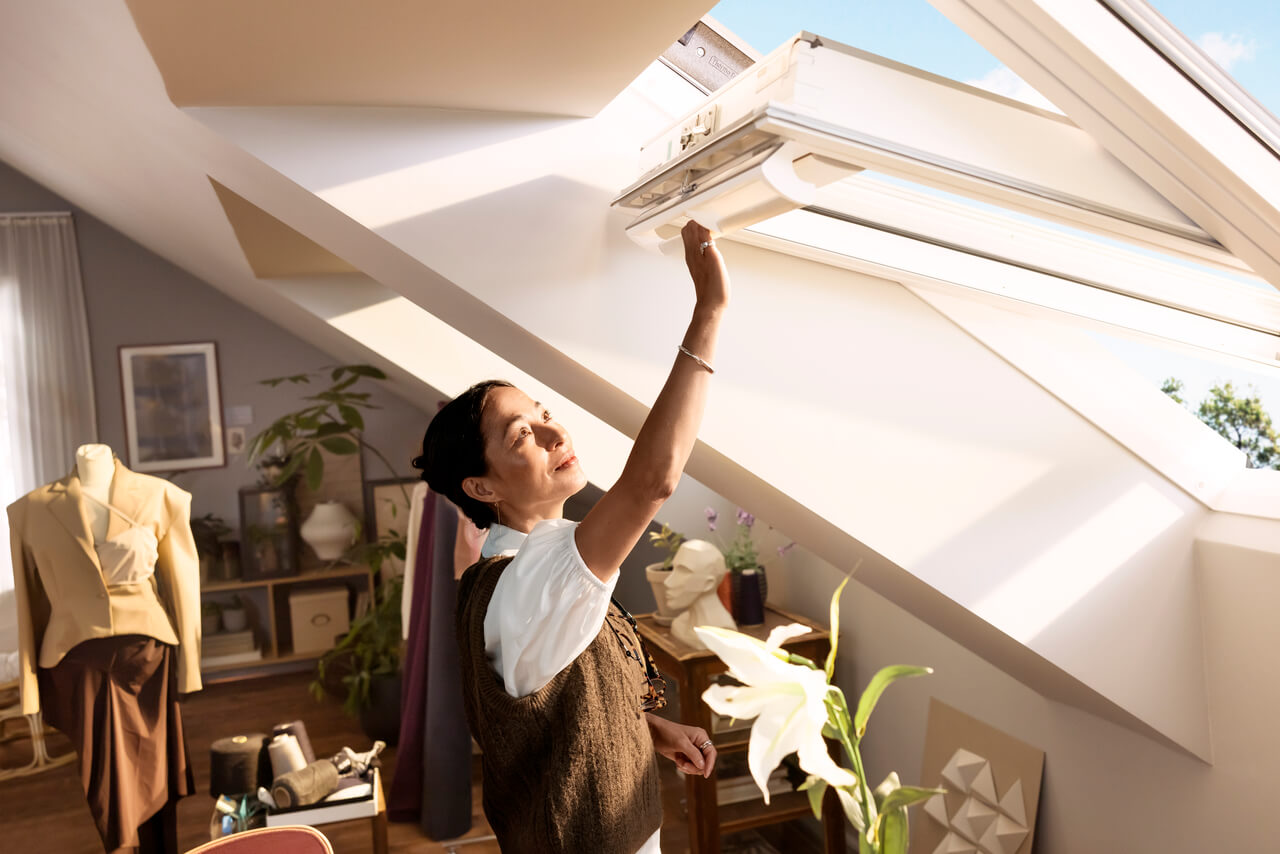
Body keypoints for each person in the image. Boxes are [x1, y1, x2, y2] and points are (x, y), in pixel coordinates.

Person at [412, 220, 728, 854]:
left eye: (545, 415)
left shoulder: (524, 568)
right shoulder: (529, 579)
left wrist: (646, 726)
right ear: (482, 488)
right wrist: (709, 312)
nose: (556, 435)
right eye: (522, 436)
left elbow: (560, 693)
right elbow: (652, 484)